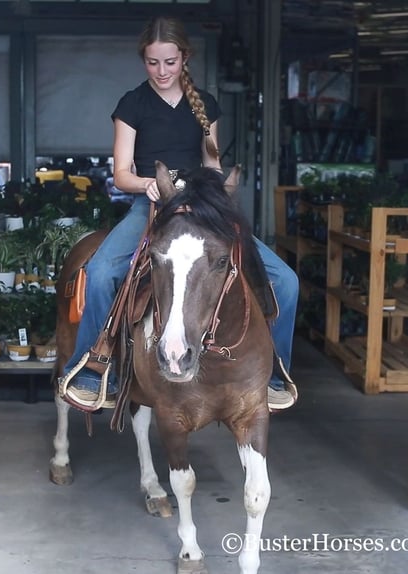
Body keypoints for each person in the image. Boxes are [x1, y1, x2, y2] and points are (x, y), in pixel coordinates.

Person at [60, 16, 298, 412]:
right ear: (144, 61)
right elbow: (121, 174)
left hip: (203, 207)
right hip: (152, 204)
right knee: (101, 272)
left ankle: (276, 369)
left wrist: (220, 189)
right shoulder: (132, 104)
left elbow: (212, 161)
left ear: (184, 58)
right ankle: (91, 366)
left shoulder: (205, 104)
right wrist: (146, 185)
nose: (162, 71)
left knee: (286, 281)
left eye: (169, 62)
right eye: (153, 63)